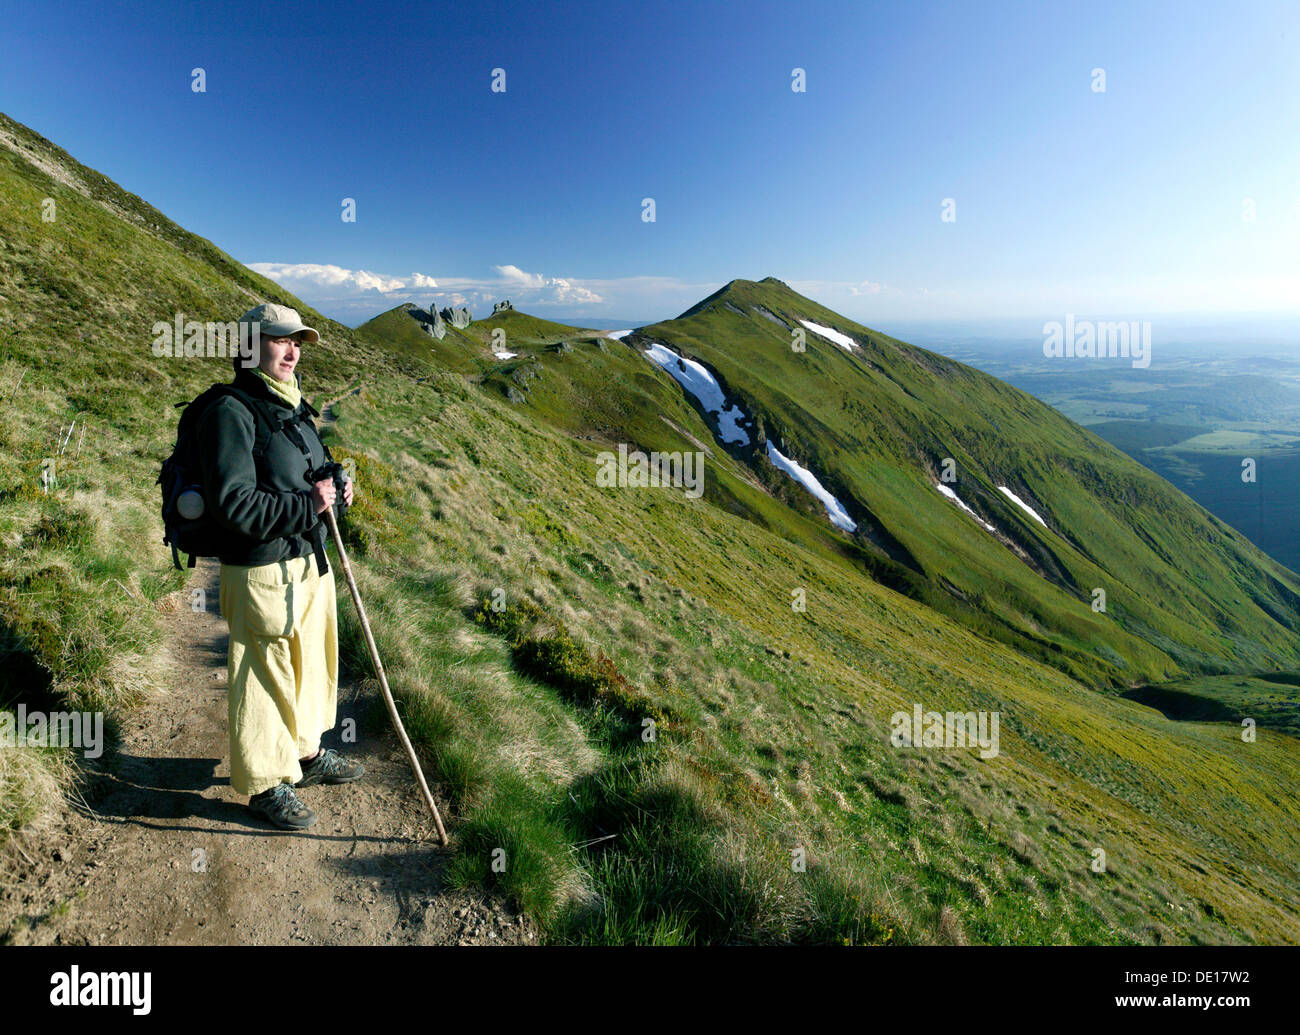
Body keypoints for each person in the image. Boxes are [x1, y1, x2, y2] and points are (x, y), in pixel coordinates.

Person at [197, 303, 363, 830]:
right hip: (261, 569)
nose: (293, 351)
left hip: (308, 560)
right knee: (265, 671)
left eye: (299, 343)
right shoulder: (231, 411)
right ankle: (267, 783)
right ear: (250, 345)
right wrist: (308, 505)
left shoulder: (290, 406)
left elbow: (307, 477)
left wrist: (336, 491)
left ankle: (307, 753)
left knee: (311, 662)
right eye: (280, 340)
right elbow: (234, 504)